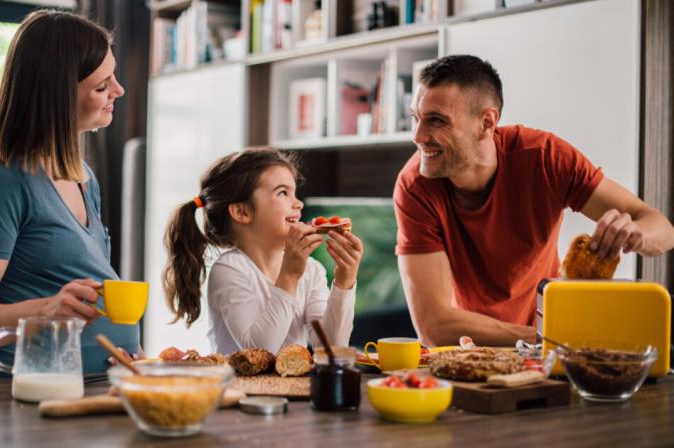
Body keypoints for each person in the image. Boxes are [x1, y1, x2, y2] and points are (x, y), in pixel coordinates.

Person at [394, 54, 674, 348]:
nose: (418, 135)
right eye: (416, 118)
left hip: (548, 354)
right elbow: (434, 326)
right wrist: (552, 336)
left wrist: (637, 233)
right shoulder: (415, 187)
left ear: (486, 123)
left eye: (436, 120)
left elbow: (663, 230)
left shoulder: (544, 158)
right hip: (472, 350)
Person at [0, 10, 141, 378]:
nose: (118, 90)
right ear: (59, 94)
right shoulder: (0, 183)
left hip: (95, 389)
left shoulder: (84, 178)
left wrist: (134, 356)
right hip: (24, 399)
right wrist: (47, 309)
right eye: (102, 86)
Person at [162, 148, 364, 354]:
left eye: (295, 193)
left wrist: (344, 282)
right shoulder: (230, 269)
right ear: (242, 212)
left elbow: (331, 348)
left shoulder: (311, 270)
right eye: (283, 193)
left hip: (293, 387)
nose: (299, 203)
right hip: (239, 386)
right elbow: (259, 351)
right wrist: (289, 276)